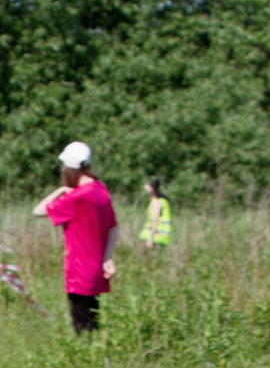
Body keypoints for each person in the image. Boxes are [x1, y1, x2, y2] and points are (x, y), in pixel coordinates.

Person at [37, 142, 118, 334]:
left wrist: (61, 191)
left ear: (70, 168)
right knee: (92, 321)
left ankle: (88, 362)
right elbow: (114, 226)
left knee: (82, 328)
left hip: (79, 270)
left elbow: (38, 210)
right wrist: (107, 257)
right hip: (96, 267)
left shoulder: (76, 197)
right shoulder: (100, 190)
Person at [138, 178, 173, 250]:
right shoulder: (162, 200)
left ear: (152, 187)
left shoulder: (156, 201)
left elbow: (155, 219)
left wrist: (151, 238)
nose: (144, 187)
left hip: (156, 235)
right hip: (162, 235)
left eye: (146, 185)